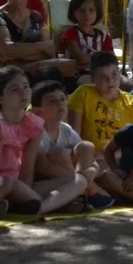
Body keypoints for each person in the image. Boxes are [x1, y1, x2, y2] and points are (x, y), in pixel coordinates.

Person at [0, 66, 88, 214]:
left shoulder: (34, 124)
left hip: (22, 185)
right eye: (15, 90)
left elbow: (27, 168)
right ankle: (41, 204)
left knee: (78, 180)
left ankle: (38, 208)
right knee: (8, 185)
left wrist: (25, 193)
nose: (24, 93)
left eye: (26, 87)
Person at [31, 80, 113, 209]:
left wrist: (92, 170)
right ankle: (90, 192)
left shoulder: (66, 129)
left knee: (86, 146)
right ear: (37, 111)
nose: (60, 104)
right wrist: (78, 177)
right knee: (60, 154)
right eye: (52, 101)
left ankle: (82, 193)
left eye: (62, 99)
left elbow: (91, 160)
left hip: (69, 178)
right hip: (42, 182)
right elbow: (43, 167)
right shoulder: (37, 131)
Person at [67, 52, 133, 154]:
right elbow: (74, 137)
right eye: (103, 76)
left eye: (114, 74)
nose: (110, 80)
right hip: (87, 155)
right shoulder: (83, 93)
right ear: (93, 79)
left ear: (120, 73)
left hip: (117, 157)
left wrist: (109, 156)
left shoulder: (131, 102)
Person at [58, 0, 114, 84]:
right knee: (97, 83)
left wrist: (94, 58)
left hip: (103, 73)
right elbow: (80, 59)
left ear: (97, 12)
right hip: (77, 74)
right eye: (81, 10)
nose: (87, 14)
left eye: (91, 10)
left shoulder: (104, 36)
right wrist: (102, 58)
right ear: (74, 13)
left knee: (126, 84)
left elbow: (111, 59)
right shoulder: (70, 34)